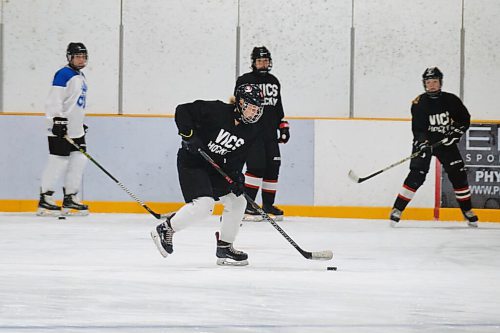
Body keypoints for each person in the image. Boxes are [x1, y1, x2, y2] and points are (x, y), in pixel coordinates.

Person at [151, 84, 264, 266]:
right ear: (241, 102)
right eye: (252, 107)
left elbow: (237, 157)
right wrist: (189, 136)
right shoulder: (217, 110)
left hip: (215, 167)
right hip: (193, 163)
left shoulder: (250, 130)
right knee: (204, 206)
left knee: (238, 200)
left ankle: (225, 247)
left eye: (258, 109)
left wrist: (237, 178)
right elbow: (182, 111)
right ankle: (166, 229)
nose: (255, 112)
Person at [389, 67, 478, 228]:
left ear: (440, 82)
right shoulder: (419, 102)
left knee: (458, 175)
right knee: (417, 175)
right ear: (424, 84)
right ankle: (397, 209)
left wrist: (455, 134)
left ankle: (467, 211)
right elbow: (418, 129)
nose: (431, 85)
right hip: (426, 144)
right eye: (428, 82)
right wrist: (423, 143)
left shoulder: (451, 100)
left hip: (445, 143)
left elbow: (464, 119)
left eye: (435, 82)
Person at [235, 46, 290, 221]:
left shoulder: (274, 81)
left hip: (270, 133)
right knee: (256, 167)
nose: (263, 63)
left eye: (266, 60)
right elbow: (239, 104)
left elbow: (277, 106)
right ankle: (247, 205)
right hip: (252, 133)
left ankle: (267, 204)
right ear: (253, 62)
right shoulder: (245, 80)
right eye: (260, 61)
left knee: (273, 167)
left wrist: (283, 125)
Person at [37, 42, 89, 216]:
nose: (81, 60)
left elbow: (74, 103)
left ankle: (70, 197)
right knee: (58, 160)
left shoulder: (80, 76)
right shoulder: (63, 74)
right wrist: (57, 120)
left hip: (76, 129)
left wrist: (79, 121)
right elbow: (54, 99)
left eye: (83, 56)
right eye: (77, 56)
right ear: (69, 57)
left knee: (79, 160)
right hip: (60, 127)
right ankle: (46, 198)